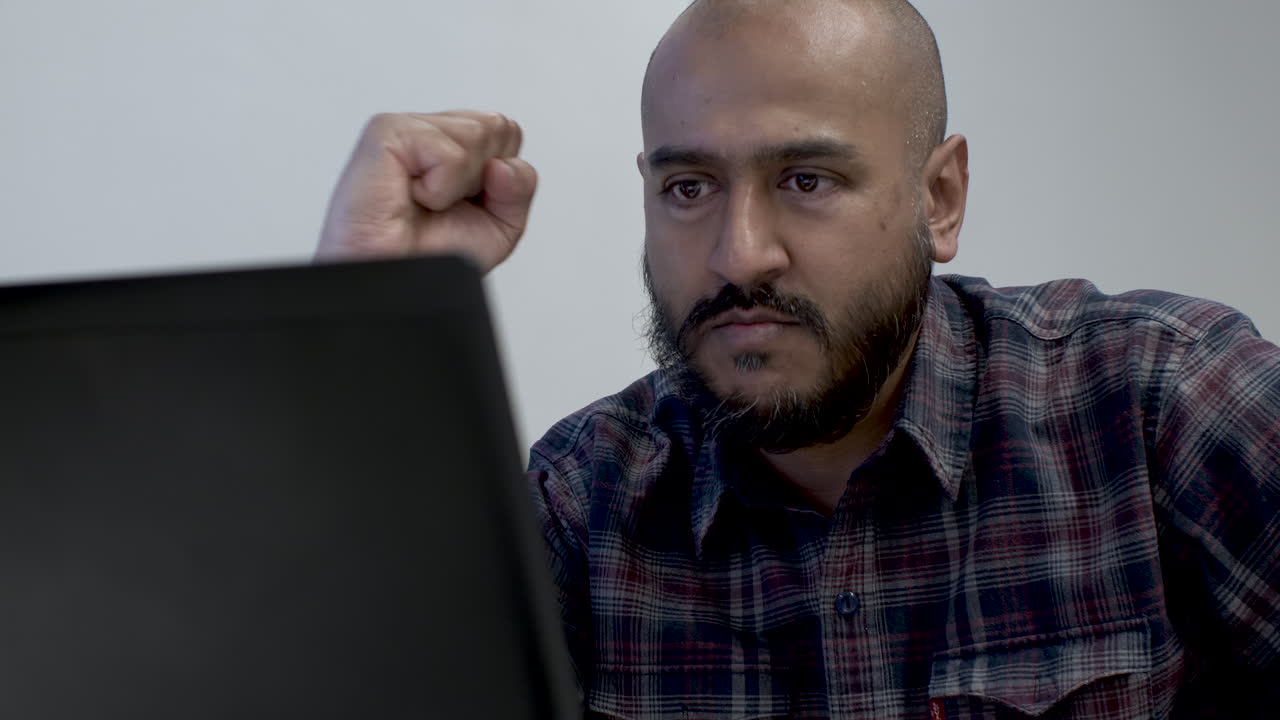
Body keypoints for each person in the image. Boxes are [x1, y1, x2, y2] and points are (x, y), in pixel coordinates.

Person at [316, 0, 1280, 716]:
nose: (740, 254)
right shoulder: (582, 507)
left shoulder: (1158, 403)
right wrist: (360, 336)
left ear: (939, 199)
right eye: (689, 187)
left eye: (806, 179)